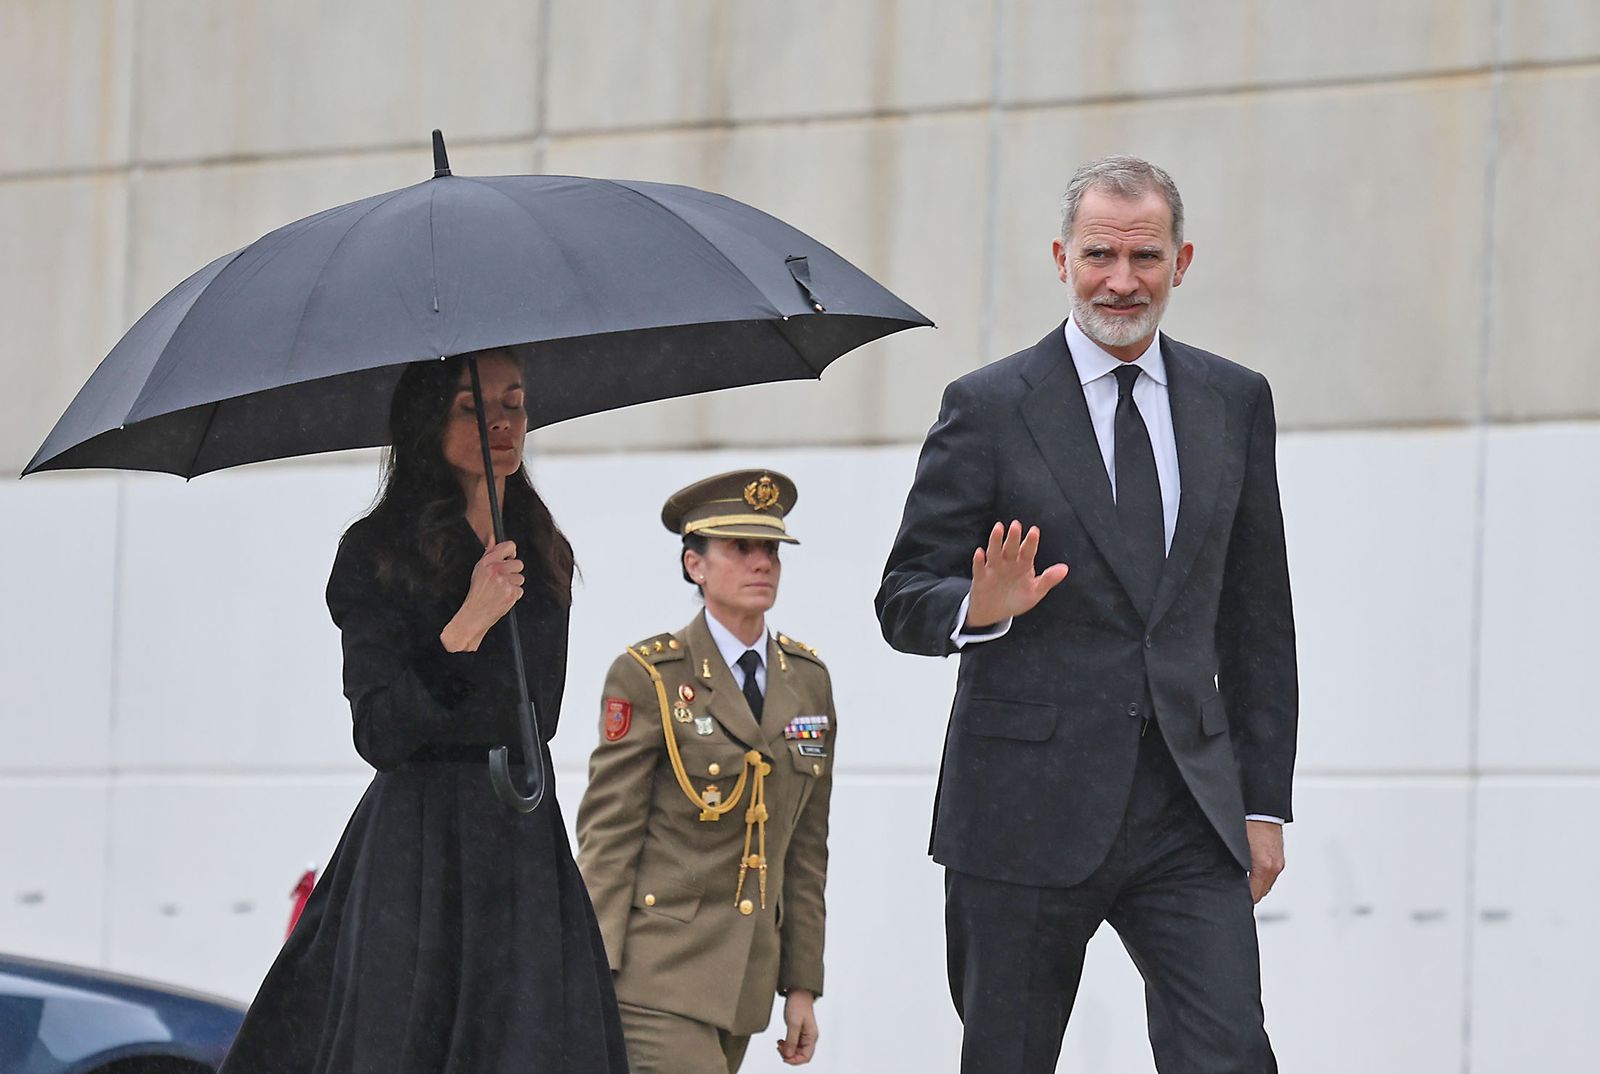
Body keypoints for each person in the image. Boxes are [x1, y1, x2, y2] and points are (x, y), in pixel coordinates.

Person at [875, 156, 1297, 1073]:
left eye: (1144, 256)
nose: (1120, 279)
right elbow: (903, 595)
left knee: (1231, 1054)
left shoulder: (1235, 401)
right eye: (1099, 254)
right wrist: (977, 608)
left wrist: (1264, 805)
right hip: (1023, 809)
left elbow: (1260, 617)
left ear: (1181, 262)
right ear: (1061, 257)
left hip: (1189, 807)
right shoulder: (987, 408)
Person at [220, 350, 628, 1073]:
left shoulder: (539, 547)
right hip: (420, 847)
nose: (503, 423)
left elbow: (543, 716)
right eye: (475, 408)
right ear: (428, 421)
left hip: (521, 833)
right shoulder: (374, 551)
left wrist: (506, 608)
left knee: (533, 1044)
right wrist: (467, 623)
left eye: (516, 403)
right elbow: (380, 732)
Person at [576, 469, 835, 1073]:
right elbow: (610, 836)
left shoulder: (808, 681)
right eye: (739, 548)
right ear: (695, 565)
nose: (761, 563)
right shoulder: (650, 676)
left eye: (769, 548)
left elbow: (804, 847)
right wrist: (585, 966)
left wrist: (802, 986)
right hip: (653, 977)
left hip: (744, 986)